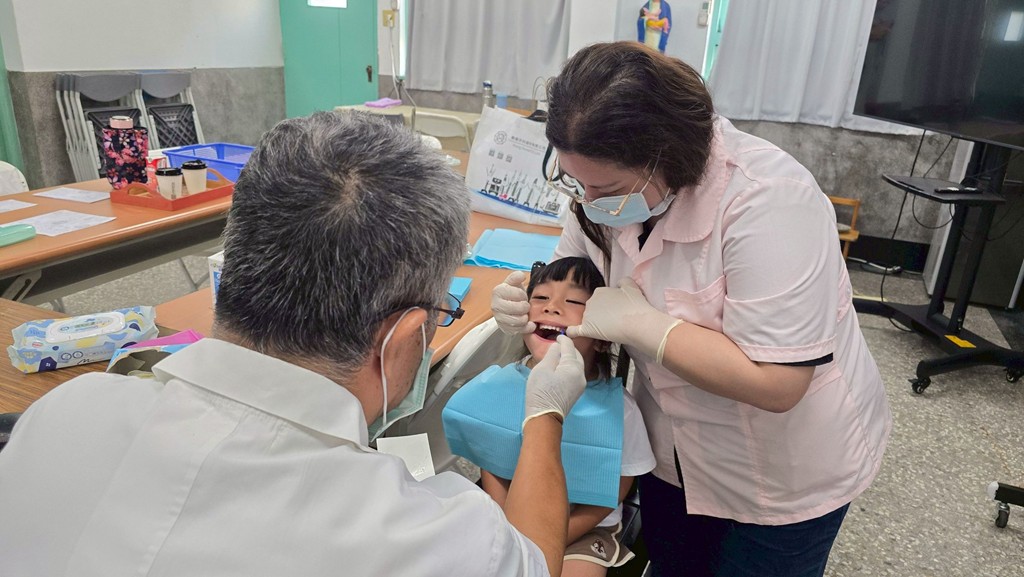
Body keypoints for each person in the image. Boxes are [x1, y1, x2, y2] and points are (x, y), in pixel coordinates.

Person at [0, 111, 589, 577]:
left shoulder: (65, 410)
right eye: (440, 316)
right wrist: (544, 411)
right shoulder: (426, 539)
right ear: (404, 336)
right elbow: (533, 561)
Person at [491, 42, 893, 577]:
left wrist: (647, 327)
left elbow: (778, 383)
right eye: (575, 182)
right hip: (671, 450)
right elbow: (577, 281)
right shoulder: (602, 196)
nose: (587, 200)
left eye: (603, 187)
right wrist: (534, 301)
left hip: (780, 469)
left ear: (669, 156)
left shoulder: (770, 200)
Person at [445, 257, 656, 577]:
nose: (552, 307)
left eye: (573, 302)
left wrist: (552, 538)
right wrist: (510, 532)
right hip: (510, 522)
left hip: (584, 531)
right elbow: (493, 463)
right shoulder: (500, 388)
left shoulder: (619, 410)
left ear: (602, 336)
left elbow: (614, 491)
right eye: (540, 297)